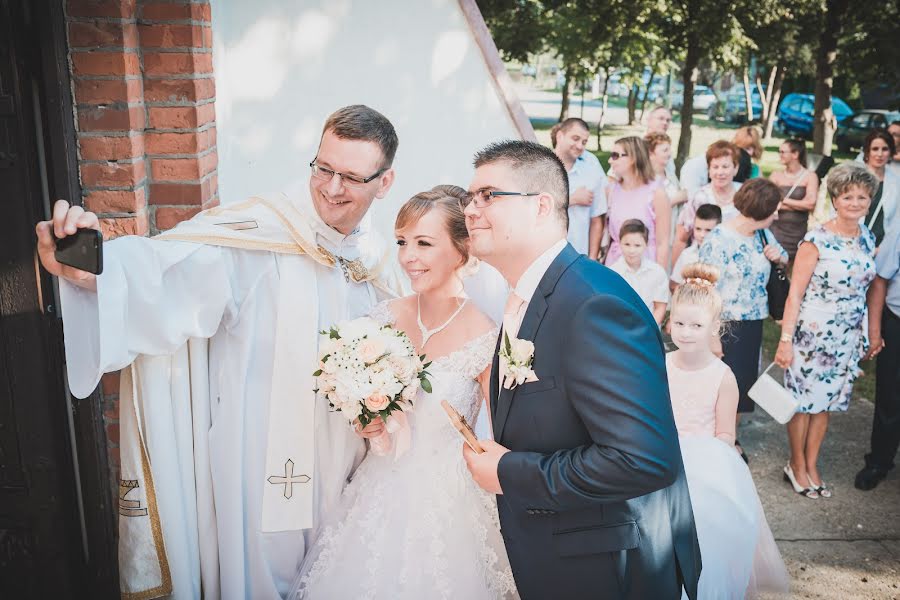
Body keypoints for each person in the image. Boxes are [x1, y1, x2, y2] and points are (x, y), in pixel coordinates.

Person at [36, 105, 404, 598]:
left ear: (384, 182)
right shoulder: (256, 236)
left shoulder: (374, 255)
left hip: (347, 457)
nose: (332, 188)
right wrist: (86, 265)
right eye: (323, 169)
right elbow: (167, 271)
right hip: (261, 454)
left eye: (352, 178)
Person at [460, 140, 701, 600]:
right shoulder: (530, 295)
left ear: (541, 206)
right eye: (470, 198)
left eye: (488, 195)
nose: (471, 209)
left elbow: (643, 459)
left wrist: (511, 473)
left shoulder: (594, 304)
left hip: (605, 569)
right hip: (561, 554)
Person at [290, 189, 518, 599]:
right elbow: (357, 406)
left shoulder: (487, 337)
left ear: (462, 250)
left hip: (451, 504)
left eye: (424, 243)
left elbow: (506, 435)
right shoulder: (380, 318)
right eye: (402, 242)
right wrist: (368, 418)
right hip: (377, 489)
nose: (408, 256)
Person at [668, 263, 790, 599]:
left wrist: (698, 464)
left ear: (715, 327)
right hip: (663, 463)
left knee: (706, 550)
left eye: (696, 325)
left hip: (705, 475)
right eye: (679, 322)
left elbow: (725, 435)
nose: (686, 332)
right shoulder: (662, 366)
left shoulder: (722, 377)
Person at [775, 163, 878, 499]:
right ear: (835, 198)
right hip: (812, 333)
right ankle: (796, 463)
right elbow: (795, 294)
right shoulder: (816, 240)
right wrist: (786, 340)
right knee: (802, 402)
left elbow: (868, 288)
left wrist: (867, 330)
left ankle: (812, 464)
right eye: (848, 196)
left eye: (862, 196)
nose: (855, 202)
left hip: (846, 334)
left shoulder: (867, 237)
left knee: (825, 403)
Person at [699, 178, 788, 461]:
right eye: (774, 210)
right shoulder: (719, 239)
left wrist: (779, 258)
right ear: (760, 209)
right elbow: (704, 288)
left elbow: (783, 261)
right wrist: (712, 335)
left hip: (752, 321)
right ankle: (708, 441)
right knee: (715, 386)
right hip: (723, 322)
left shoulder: (763, 235)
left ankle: (730, 438)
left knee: (739, 385)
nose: (777, 215)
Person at [856, 223, 900, 490]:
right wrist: (874, 331)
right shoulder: (898, 232)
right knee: (890, 395)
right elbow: (880, 280)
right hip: (897, 321)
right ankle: (879, 462)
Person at [604, 136, 671, 268]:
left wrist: (659, 279)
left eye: (615, 155)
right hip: (615, 264)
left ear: (633, 158)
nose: (610, 160)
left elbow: (663, 242)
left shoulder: (657, 193)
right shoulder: (611, 190)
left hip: (645, 265)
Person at [672, 141, 742, 267]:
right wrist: (673, 276)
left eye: (725, 167)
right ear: (709, 171)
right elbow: (682, 237)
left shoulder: (745, 196)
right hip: (702, 265)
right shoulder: (699, 197)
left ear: (735, 168)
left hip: (736, 264)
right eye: (715, 167)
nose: (720, 172)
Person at [552, 118, 608, 259]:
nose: (580, 146)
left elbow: (596, 219)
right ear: (560, 136)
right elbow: (533, 209)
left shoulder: (591, 171)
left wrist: (592, 259)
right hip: (545, 254)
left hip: (578, 256)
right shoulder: (541, 167)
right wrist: (572, 199)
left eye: (584, 142)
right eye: (575, 139)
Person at [608, 219, 670, 325]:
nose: (632, 250)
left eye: (637, 245)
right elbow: (611, 307)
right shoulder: (612, 273)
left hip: (649, 330)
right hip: (620, 329)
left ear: (646, 244)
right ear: (619, 243)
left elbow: (660, 307)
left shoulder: (657, 272)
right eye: (627, 244)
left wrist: (648, 331)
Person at [769, 138, 819, 261]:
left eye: (783, 152)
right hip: (775, 231)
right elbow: (769, 202)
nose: (779, 155)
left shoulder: (810, 176)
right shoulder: (776, 176)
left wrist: (783, 200)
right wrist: (798, 205)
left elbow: (810, 204)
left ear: (795, 154)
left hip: (797, 232)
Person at [670, 203, 722, 292]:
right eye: (698, 229)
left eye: (708, 230)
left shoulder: (724, 255)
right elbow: (675, 284)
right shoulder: (686, 255)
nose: (702, 235)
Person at [860, 129, 899, 245]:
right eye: (875, 149)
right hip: (852, 244)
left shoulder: (896, 182)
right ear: (867, 151)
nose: (880, 154)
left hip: (883, 247)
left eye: (885, 149)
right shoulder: (854, 177)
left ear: (891, 152)